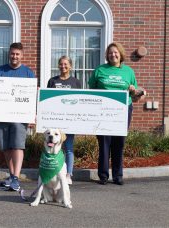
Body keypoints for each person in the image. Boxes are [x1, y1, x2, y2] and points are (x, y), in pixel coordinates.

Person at [88, 42, 145, 185]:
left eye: (115, 52)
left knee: (119, 142)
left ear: (120, 54)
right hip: (102, 111)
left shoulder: (128, 72)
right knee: (104, 142)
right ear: (107, 55)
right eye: (110, 53)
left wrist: (134, 91)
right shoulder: (100, 70)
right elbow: (91, 90)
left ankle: (118, 175)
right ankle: (103, 175)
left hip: (123, 110)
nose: (113, 55)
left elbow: (136, 96)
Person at [0, 42, 35, 191]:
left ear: (22, 55)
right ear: (9, 54)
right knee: (6, 147)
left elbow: (31, 96)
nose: (14, 56)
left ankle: (16, 178)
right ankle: (11, 175)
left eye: (17, 54)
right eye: (12, 53)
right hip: (2, 115)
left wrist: (32, 115)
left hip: (20, 116)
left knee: (17, 145)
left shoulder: (28, 73)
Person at [47, 55, 81, 185]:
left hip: (70, 121)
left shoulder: (76, 82)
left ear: (70, 66)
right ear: (58, 66)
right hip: (55, 121)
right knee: (55, 147)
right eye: (61, 64)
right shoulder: (52, 81)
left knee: (69, 148)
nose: (63, 66)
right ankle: (55, 172)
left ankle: (68, 174)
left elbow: (79, 101)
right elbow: (47, 100)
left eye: (66, 64)